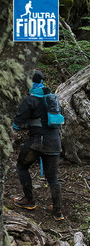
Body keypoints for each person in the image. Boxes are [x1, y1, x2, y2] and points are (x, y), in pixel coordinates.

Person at [12, 70, 64, 221]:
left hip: (37, 143)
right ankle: (57, 212)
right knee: (53, 177)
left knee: (22, 167)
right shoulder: (51, 98)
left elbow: (18, 122)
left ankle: (28, 200)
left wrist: (14, 128)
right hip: (54, 142)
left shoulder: (30, 99)